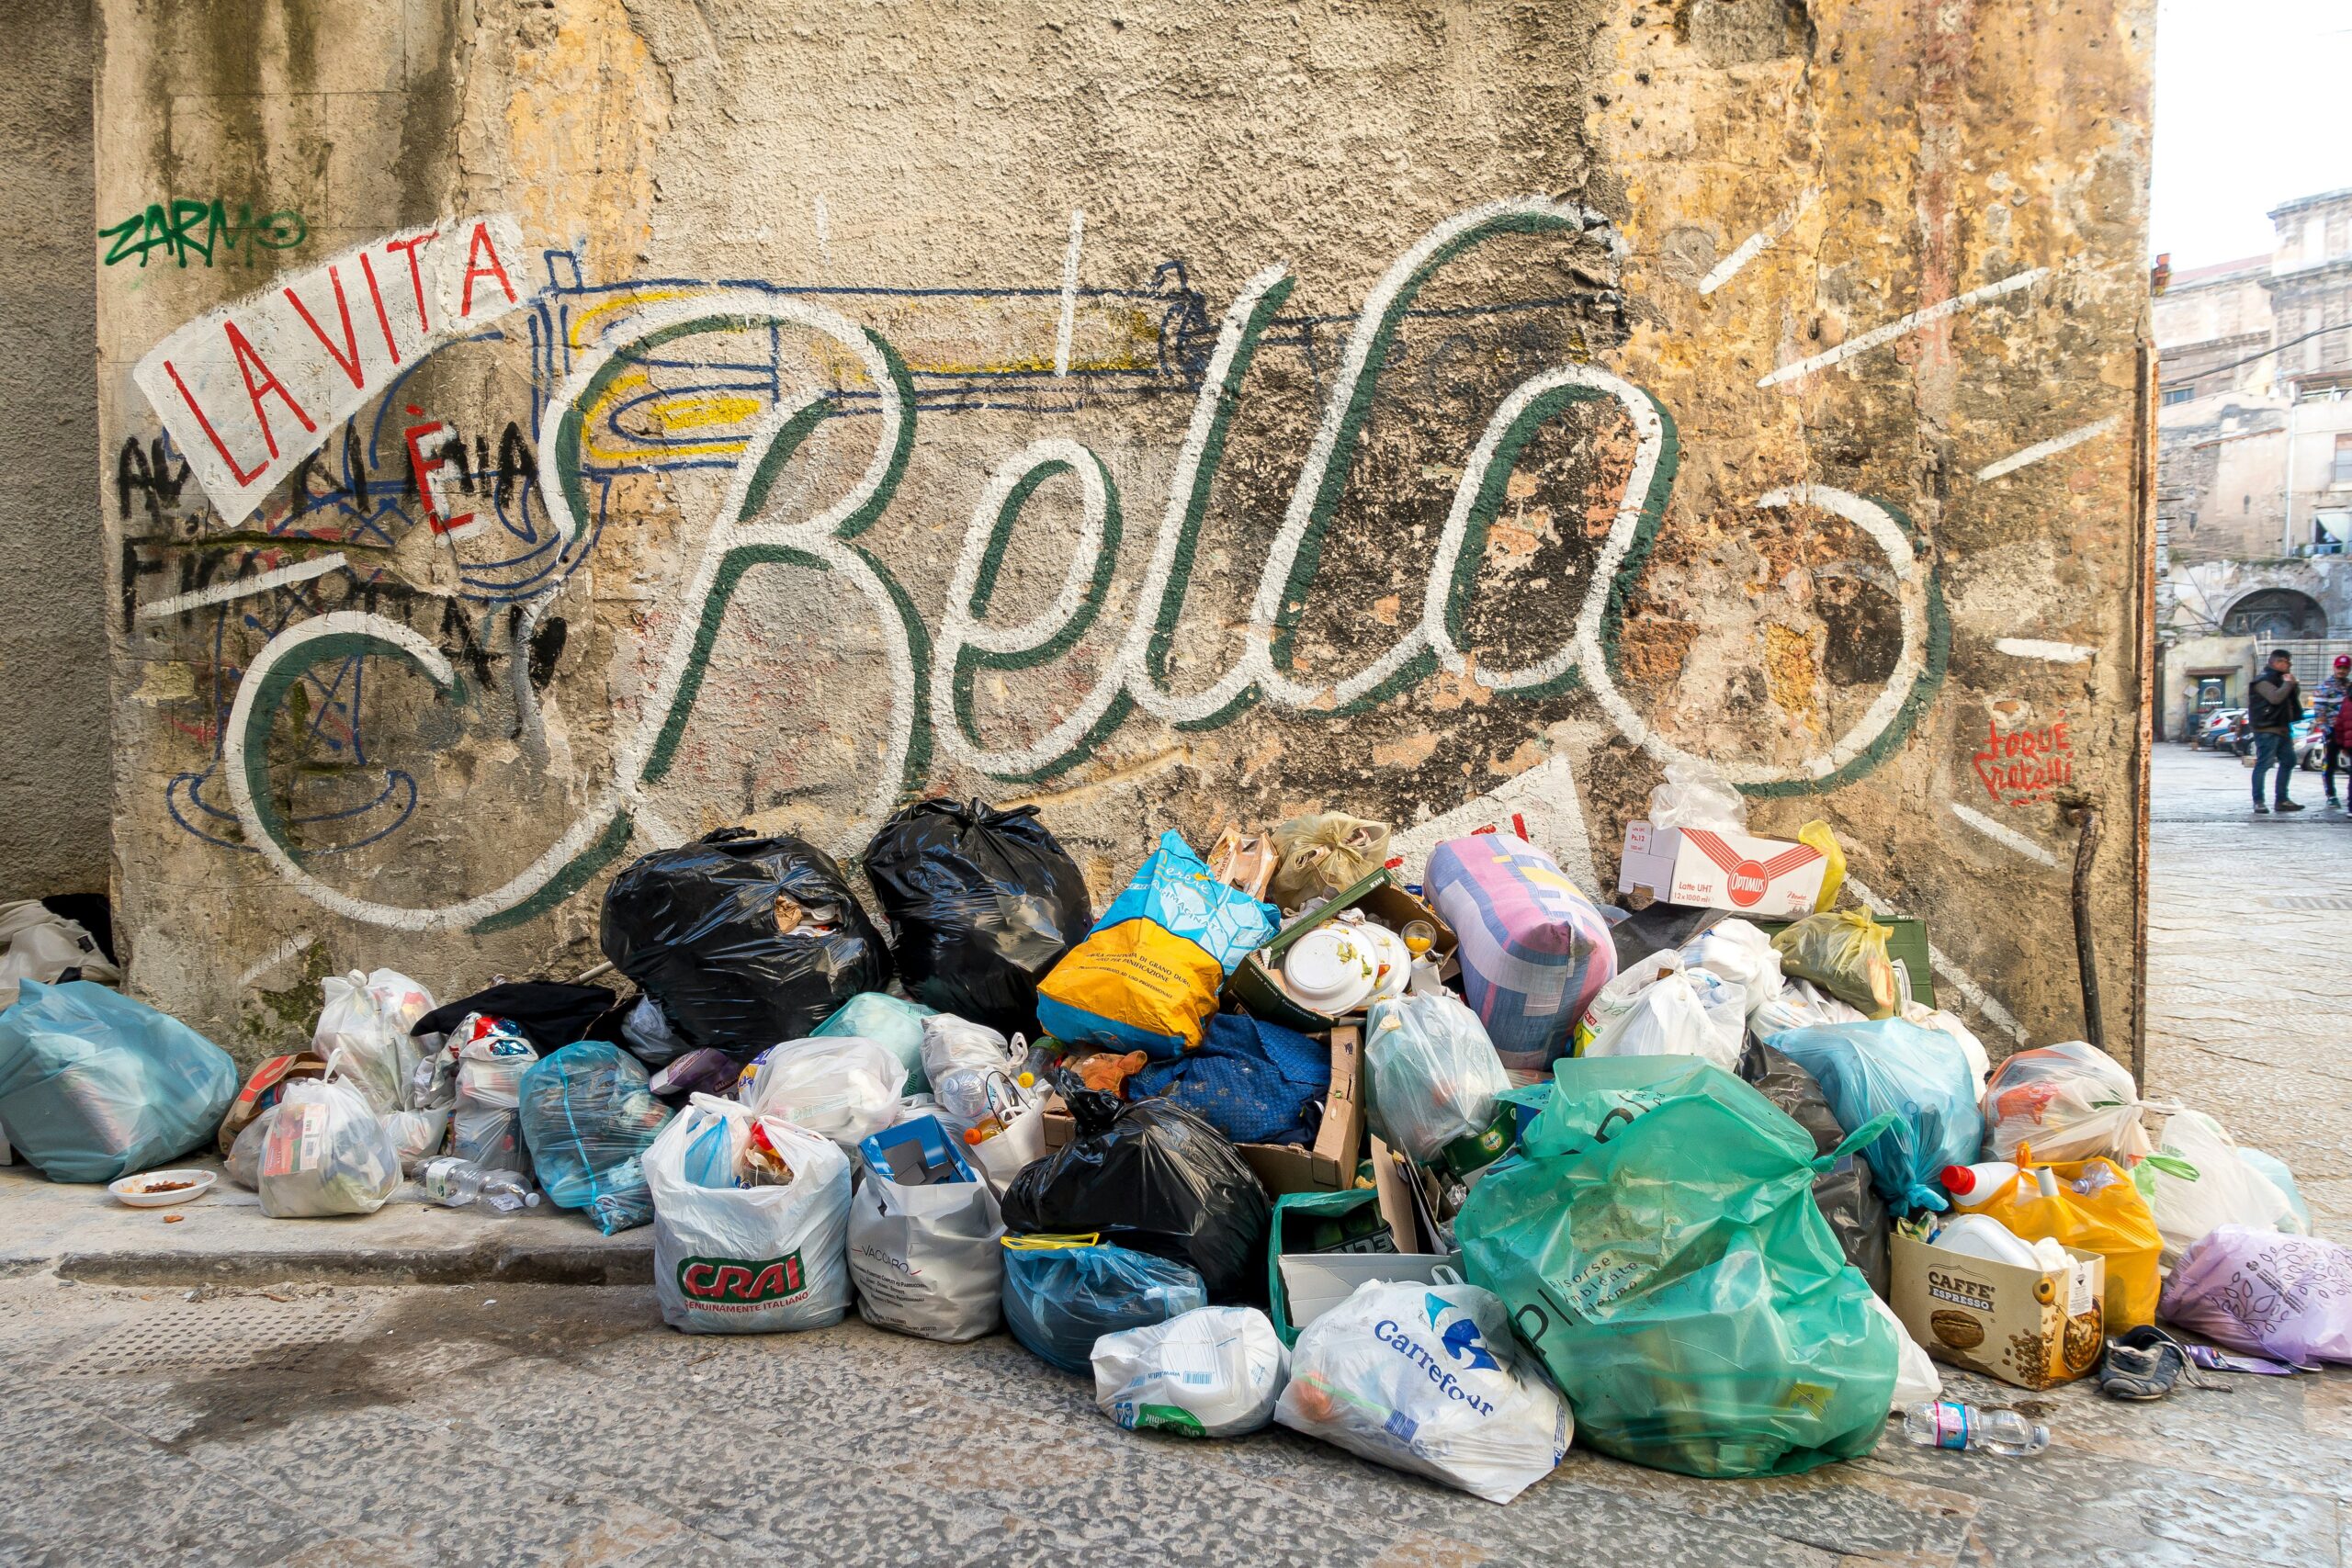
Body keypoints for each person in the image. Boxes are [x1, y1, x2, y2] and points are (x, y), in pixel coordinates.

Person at [2247, 648, 2305, 814]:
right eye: (2286, 661)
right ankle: (2259, 801)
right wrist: (2288, 683)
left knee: (2289, 761)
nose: (2289, 665)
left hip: (2282, 728)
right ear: (2277, 662)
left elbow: (2290, 700)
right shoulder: (2262, 681)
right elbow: (2275, 698)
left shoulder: (2281, 679)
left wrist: (2292, 685)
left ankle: (2282, 799)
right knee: (2264, 764)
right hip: (2266, 728)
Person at [2324, 655, 2352, 808]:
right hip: (2332, 731)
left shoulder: (2349, 687)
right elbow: (2319, 712)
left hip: (2348, 732)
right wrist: (2327, 732)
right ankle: (2331, 794)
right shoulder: (2325, 687)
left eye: (2345, 668)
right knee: (2330, 763)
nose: (2342, 671)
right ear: (2334, 667)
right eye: (2339, 667)